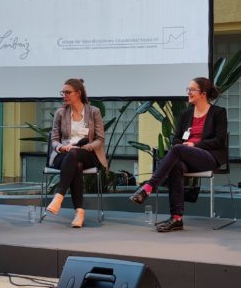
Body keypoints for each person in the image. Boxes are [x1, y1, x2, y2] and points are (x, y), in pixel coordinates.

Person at [129, 77, 228, 232]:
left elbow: (219, 140)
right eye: (187, 89)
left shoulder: (218, 113)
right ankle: (176, 218)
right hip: (185, 156)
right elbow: (176, 137)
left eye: (191, 89)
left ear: (203, 93)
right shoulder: (186, 114)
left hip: (208, 157)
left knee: (177, 149)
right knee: (175, 164)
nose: (188, 92)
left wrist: (194, 145)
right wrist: (182, 146)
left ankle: (148, 187)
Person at [46, 78, 107, 228]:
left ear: (78, 93)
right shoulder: (60, 113)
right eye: (63, 92)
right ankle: (79, 211)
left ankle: (59, 195)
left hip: (87, 152)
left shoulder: (93, 112)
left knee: (76, 156)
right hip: (64, 154)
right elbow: (54, 139)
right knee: (75, 162)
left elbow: (100, 139)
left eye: (68, 92)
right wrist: (61, 147)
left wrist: (85, 147)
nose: (64, 95)